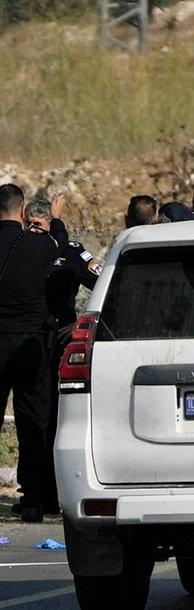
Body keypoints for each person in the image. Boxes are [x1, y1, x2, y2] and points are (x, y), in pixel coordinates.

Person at [24, 196, 103, 516]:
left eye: (40, 225)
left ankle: (57, 491)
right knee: (34, 417)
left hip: (59, 342)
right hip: (29, 343)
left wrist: (80, 325)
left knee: (59, 417)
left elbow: (103, 282)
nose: (34, 230)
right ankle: (36, 491)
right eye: (29, 225)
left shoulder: (69, 251)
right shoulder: (20, 252)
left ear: (49, 224)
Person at [0, 184, 68, 523]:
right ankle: (33, 501)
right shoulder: (37, 243)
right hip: (30, 343)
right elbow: (61, 247)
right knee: (33, 421)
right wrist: (55, 219)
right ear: (24, 211)